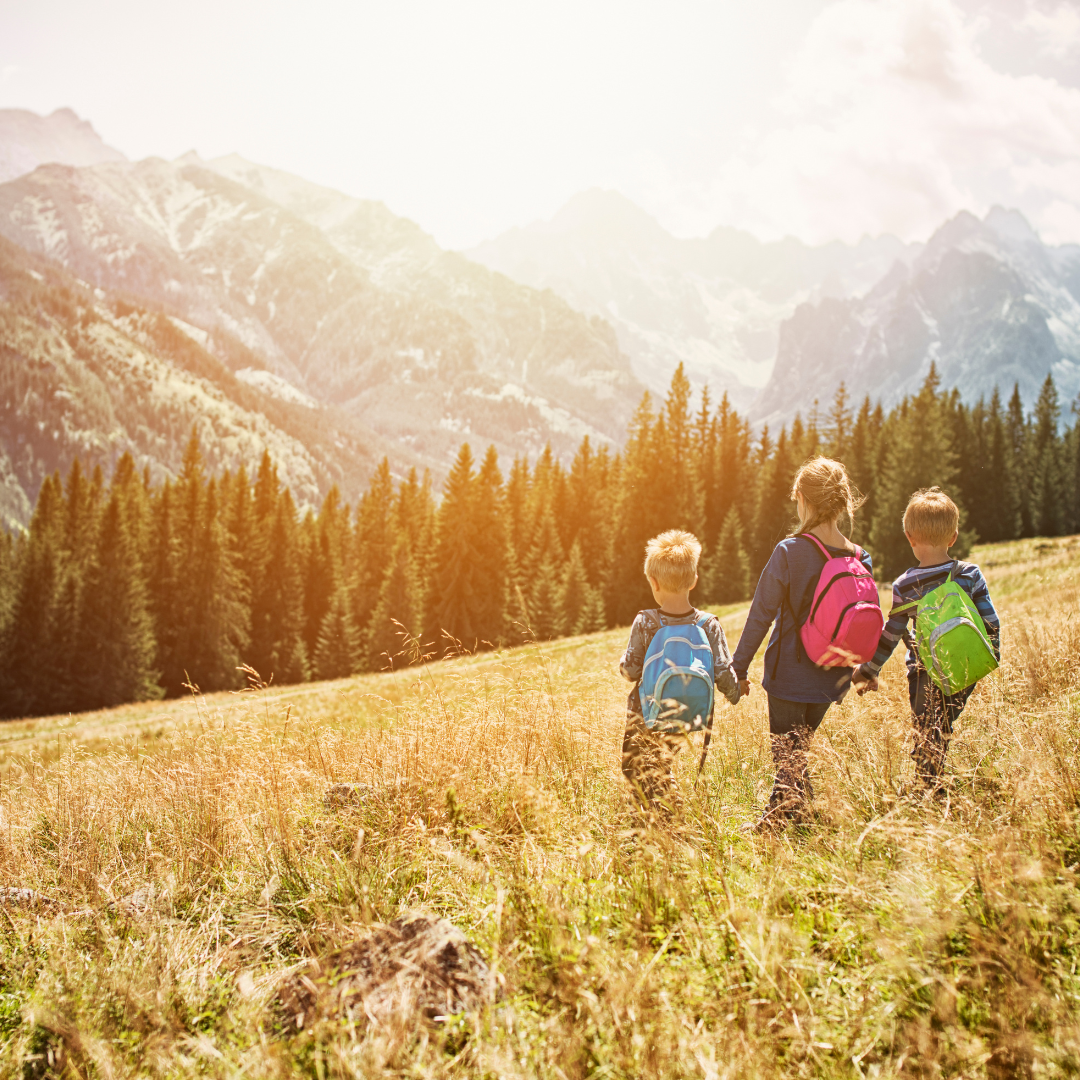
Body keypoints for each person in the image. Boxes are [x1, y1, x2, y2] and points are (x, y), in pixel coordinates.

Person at [732, 457, 872, 829]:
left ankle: (779, 826)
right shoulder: (859, 556)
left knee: (787, 758)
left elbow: (760, 615)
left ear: (802, 499)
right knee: (798, 753)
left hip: (789, 674)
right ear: (843, 503)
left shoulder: (789, 551)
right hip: (833, 677)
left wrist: (739, 668)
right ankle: (803, 818)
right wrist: (862, 667)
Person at [852, 487, 1000, 794]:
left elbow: (891, 634)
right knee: (940, 723)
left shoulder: (905, 585)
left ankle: (927, 787)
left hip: (924, 668)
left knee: (926, 727)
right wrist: (991, 653)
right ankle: (931, 780)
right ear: (954, 536)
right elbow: (990, 621)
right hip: (966, 663)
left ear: (909, 536)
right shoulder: (969, 574)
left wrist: (870, 669)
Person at [619, 530, 741, 813]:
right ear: (694, 579)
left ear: (653, 582)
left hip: (645, 710)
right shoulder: (708, 624)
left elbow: (630, 670)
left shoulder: (647, 621)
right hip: (687, 711)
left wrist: (623, 664)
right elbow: (722, 670)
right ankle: (664, 818)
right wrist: (735, 692)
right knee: (662, 762)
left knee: (634, 769)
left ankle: (662, 821)